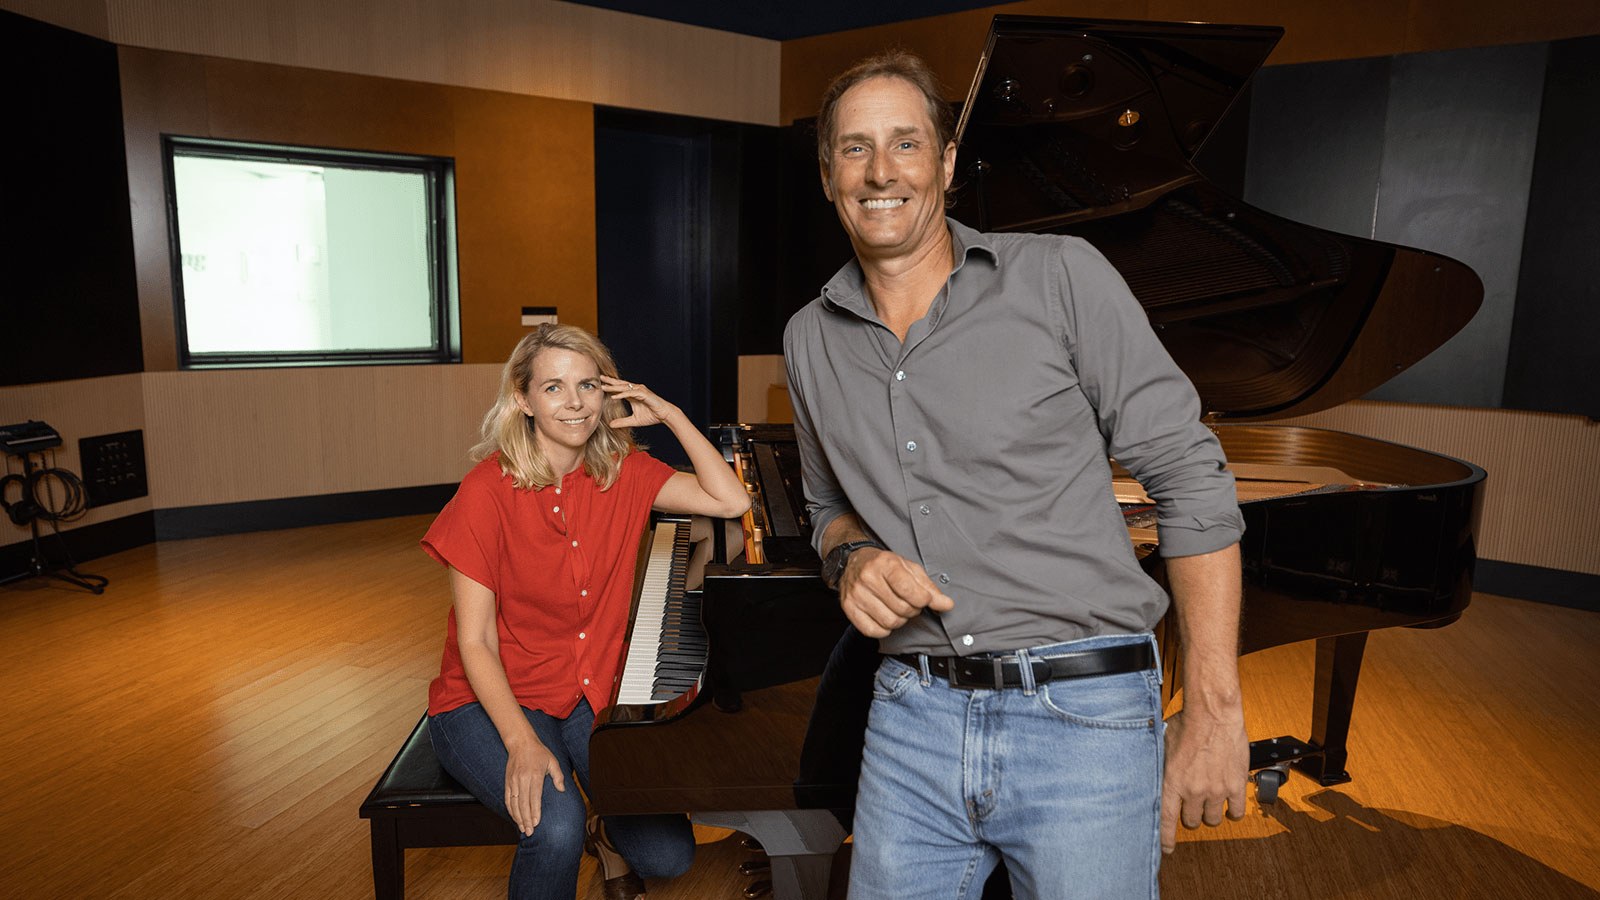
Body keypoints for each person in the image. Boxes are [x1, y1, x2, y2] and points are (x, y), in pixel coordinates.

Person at [783, 51, 1250, 899]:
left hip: (1085, 715)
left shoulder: (1062, 278)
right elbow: (826, 507)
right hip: (911, 716)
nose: (881, 171)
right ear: (827, 175)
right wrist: (851, 557)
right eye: (855, 149)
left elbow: (1190, 474)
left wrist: (1214, 709)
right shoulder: (808, 338)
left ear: (948, 163)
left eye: (905, 144)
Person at [421, 323, 750, 900]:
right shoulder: (485, 492)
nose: (575, 402)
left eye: (589, 385)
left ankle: (609, 834)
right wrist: (522, 743)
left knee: (667, 855)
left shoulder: (625, 472)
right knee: (556, 827)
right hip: (487, 697)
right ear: (522, 399)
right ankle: (580, 821)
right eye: (553, 388)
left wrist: (670, 414)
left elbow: (731, 501)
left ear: (607, 392)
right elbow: (476, 643)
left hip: (585, 690)